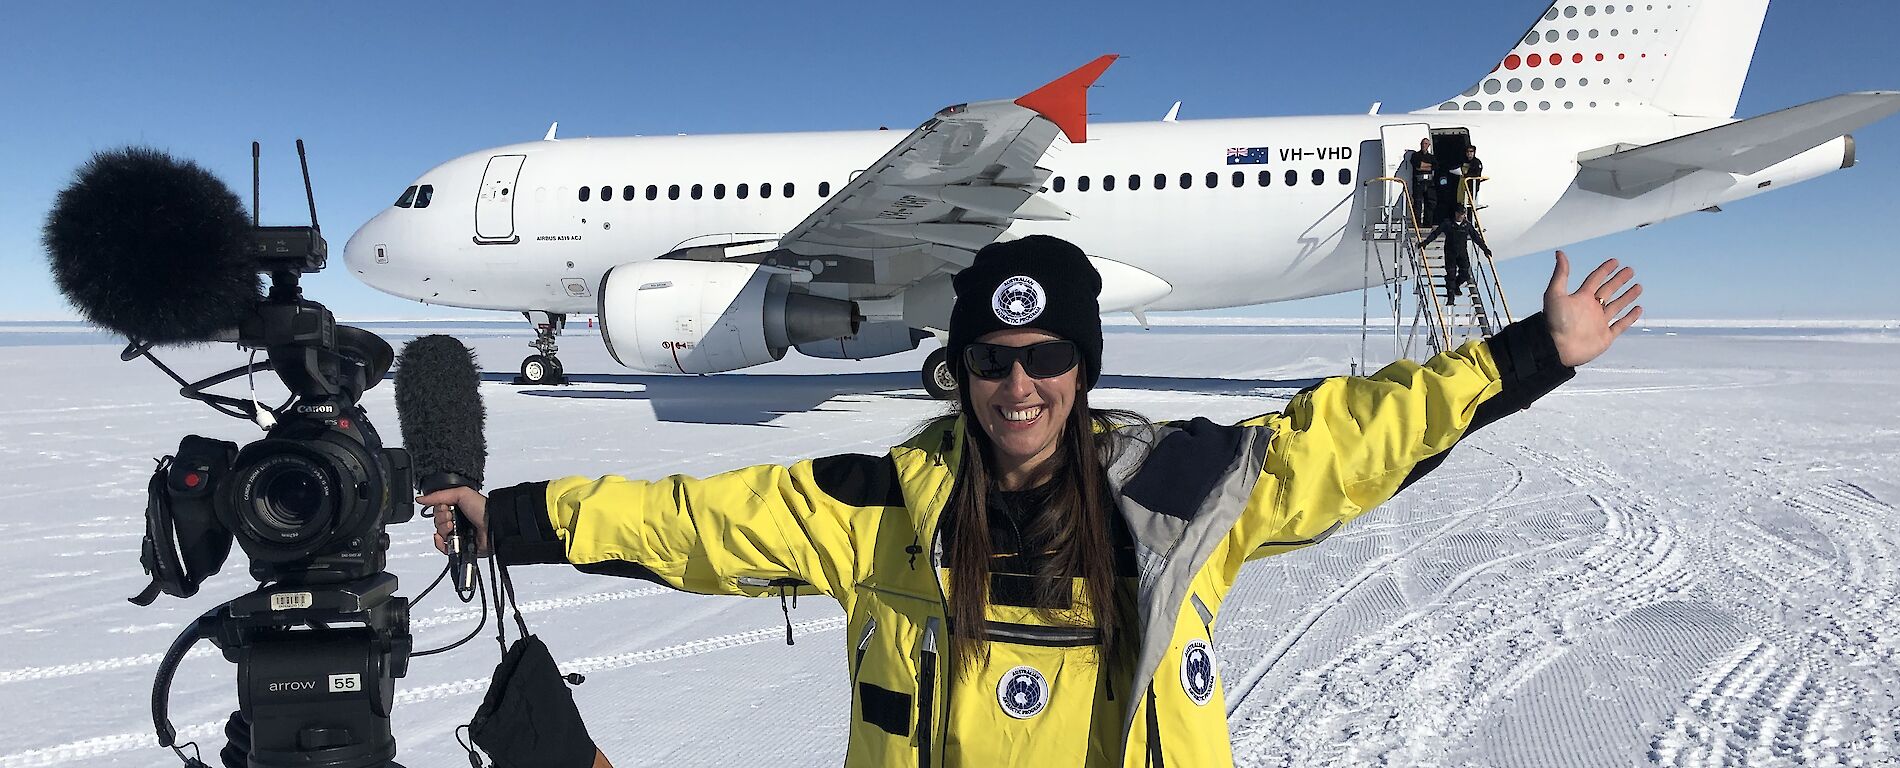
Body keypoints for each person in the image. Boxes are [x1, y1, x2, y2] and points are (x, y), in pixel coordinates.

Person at [423, 235, 1643, 767]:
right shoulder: (879, 504)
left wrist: (1529, 355)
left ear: (1084, 370)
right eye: (991, 362)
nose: (1019, 385)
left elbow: (1353, 440)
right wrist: (513, 516)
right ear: (959, 374)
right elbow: (693, 524)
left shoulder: (1181, 489)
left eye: (1047, 358)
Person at [1420, 206, 1493, 304]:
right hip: (1450, 253)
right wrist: (1425, 242)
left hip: (1462, 253)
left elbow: (1476, 238)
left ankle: (1456, 285)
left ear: (1465, 214)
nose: (1460, 216)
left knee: (1465, 274)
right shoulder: (1448, 223)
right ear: (1455, 213)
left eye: (1462, 214)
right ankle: (1451, 297)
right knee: (1451, 274)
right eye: (1459, 213)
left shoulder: (1467, 225)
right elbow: (1435, 233)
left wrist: (1485, 249)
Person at [1409, 137, 1439, 227]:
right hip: (1419, 182)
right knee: (1417, 203)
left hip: (1429, 183)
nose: (1424, 145)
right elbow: (1417, 165)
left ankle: (1428, 224)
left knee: (1430, 203)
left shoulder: (1431, 157)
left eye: (1426, 144)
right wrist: (1429, 166)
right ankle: (1417, 224)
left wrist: (1423, 166)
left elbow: (1436, 166)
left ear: (1429, 145)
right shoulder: (1416, 155)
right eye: (1422, 143)